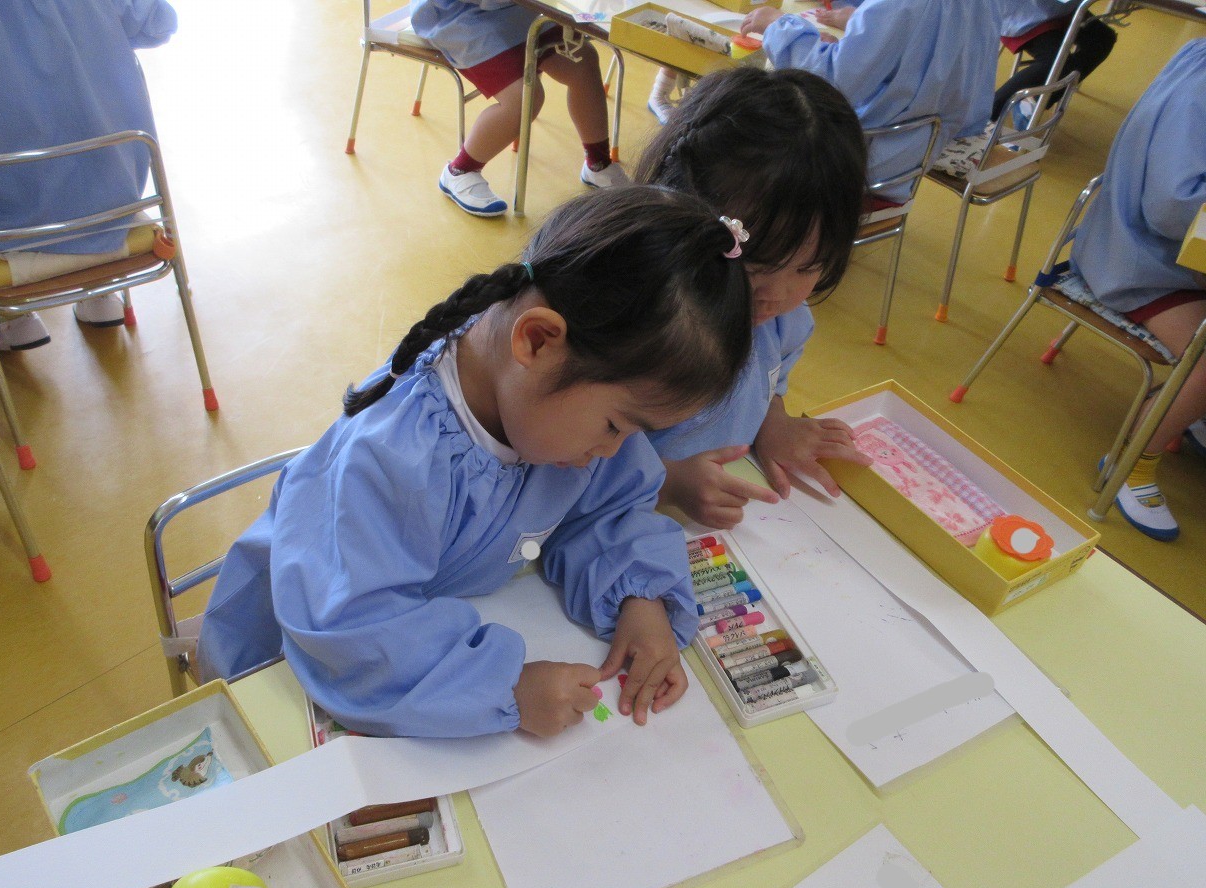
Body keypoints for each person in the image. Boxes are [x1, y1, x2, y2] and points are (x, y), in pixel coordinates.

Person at [198, 187, 753, 738]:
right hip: (279, 677)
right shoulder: (393, 456)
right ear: (537, 341)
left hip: (410, 649)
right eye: (615, 426)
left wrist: (638, 596)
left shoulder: (554, 403)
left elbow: (606, 507)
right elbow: (352, 630)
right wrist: (503, 688)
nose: (615, 449)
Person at [634, 67, 872, 529]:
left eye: (809, 266)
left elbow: (768, 383)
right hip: (611, 514)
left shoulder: (784, 322)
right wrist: (669, 481)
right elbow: (570, 443)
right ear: (678, 206)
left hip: (708, 527)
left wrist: (772, 423)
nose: (776, 295)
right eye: (757, 263)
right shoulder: (640, 318)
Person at [0, 0, 178, 351]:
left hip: (5, 230)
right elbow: (158, 24)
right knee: (87, 142)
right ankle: (101, 296)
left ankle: (15, 321)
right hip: (113, 209)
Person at [1069, 39, 1206, 542]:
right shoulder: (1200, 87)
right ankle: (1131, 462)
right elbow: (1170, 208)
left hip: (1167, 252)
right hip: (1140, 259)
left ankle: (1189, 410)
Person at [741, 0, 1003, 198]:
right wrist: (842, 46)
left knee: (745, 120)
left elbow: (828, 84)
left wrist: (778, 26)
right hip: (921, 150)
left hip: (864, 160)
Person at [410, 0, 628, 218]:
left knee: (583, 61)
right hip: (460, 19)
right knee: (524, 97)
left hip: (517, 10)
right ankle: (459, 171)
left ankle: (598, 162)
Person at [993, 0, 1116, 126]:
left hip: (1063, 10)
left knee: (1103, 40)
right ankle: (989, 112)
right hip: (1025, 13)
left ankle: (1035, 101)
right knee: (1056, 61)